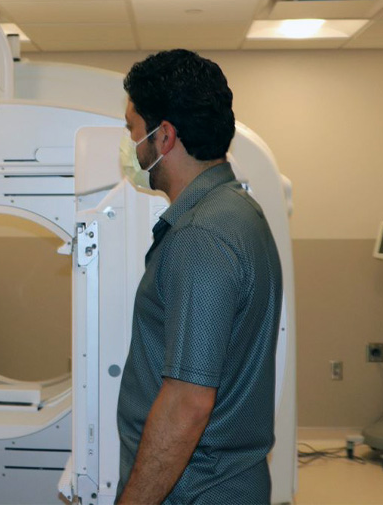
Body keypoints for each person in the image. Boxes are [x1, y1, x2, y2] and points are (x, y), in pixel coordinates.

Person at [115, 50, 283, 504]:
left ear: (164, 136)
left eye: (133, 130)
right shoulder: (237, 211)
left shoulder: (201, 236)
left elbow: (187, 403)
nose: (130, 146)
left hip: (194, 491)